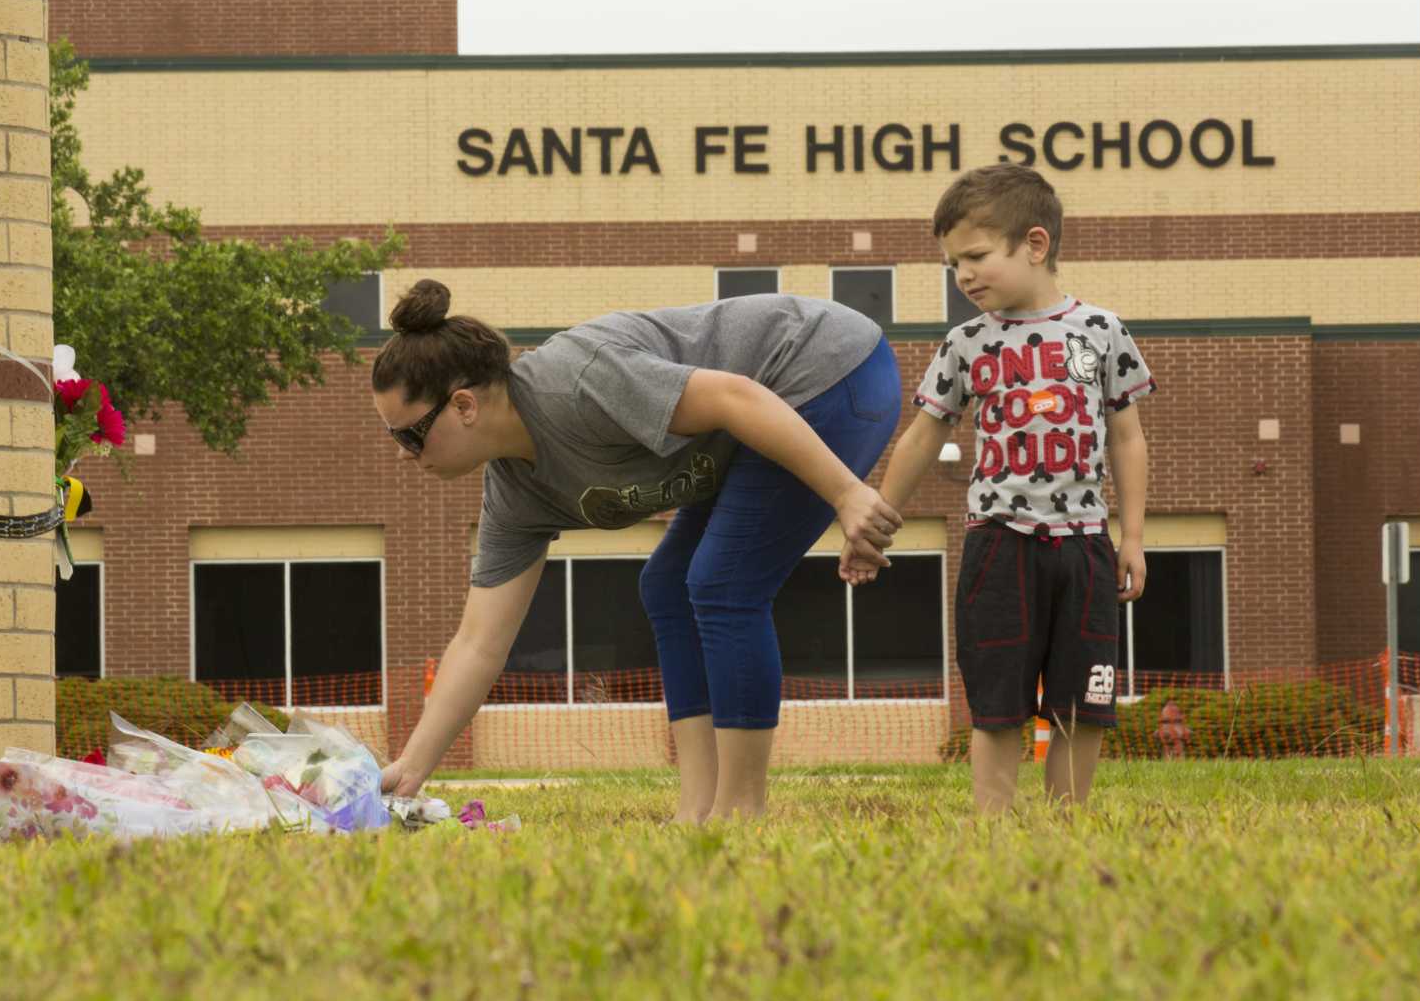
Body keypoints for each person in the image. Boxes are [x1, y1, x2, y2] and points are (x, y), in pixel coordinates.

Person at [372, 280, 902, 820]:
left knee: (723, 583)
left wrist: (847, 493)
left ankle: (741, 812)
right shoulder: (515, 493)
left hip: (825, 371)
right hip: (753, 423)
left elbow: (734, 397)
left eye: (408, 436)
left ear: (463, 405)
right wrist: (410, 769)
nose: (402, 455)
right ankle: (698, 808)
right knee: (668, 586)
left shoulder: (576, 383)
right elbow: (479, 643)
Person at [840, 164, 1153, 813]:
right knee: (998, 698)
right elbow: (924, 434)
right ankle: (994, 827)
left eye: (977, 256)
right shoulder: (966, 343)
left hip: (1085, 546)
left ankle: (1069, 820)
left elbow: (1127, 437)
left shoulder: (1102, 332)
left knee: (1082, 700)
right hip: (998, 546)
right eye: (954, 264)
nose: (965, 275)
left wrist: (1134, 535)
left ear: (1034, 244)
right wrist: (877, 520)